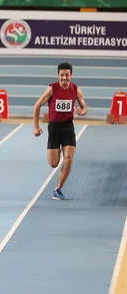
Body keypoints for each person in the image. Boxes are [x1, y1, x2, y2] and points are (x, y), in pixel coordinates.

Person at [33, 62, 87, 200]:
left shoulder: (76, 89)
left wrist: (82, 111)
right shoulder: (52, 89)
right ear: (58, 75)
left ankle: (58, 189)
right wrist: (36, 126)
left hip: (68, 127)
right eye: (62, 75)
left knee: (68, 160)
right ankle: (60, 149)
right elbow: (37, 105)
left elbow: (85, 107)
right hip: (55, 128)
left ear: (71, 75)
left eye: (67, 75)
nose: (64, 78)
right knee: (54, 164)